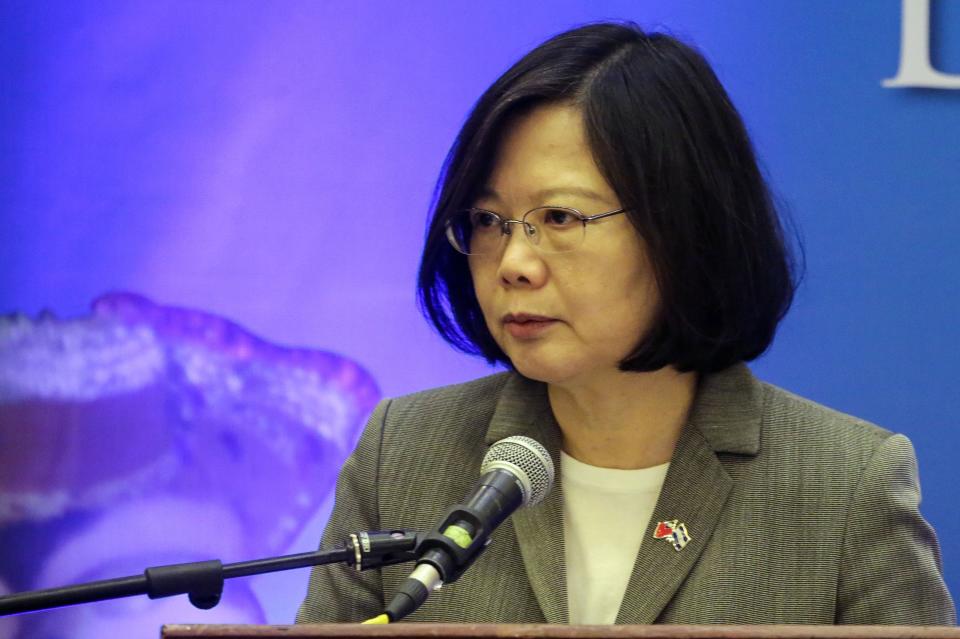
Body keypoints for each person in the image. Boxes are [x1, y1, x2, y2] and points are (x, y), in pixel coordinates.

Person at [296, 22, 955, 625]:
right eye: (489, 221)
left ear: (681, 227)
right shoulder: (402, 453)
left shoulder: (843, 485)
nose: (514, 262)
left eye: (560, 218)